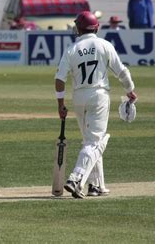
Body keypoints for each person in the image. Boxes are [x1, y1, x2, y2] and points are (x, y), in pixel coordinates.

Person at [55, 11, 138, 199]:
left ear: (79, 28)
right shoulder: (104, 45)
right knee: (94, 142)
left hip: (79, 98)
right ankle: (75, 179)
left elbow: (59, 79)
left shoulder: (72, 49)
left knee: (90, 142)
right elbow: (121, 71)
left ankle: (95, 185)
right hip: (99, 95)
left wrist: (60, 103)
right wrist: (129, 89)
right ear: (96, 27)